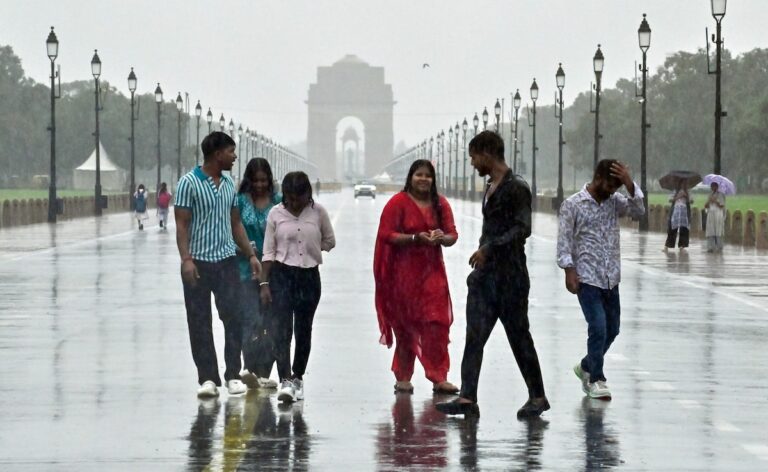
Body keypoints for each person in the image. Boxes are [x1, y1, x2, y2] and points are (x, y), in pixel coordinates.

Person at [436, 131, 548, 418]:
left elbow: (523, 228)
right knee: (474, 336)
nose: (472, 163)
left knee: (518, 336)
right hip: (486, 277)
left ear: (487, 153)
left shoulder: (516, 188)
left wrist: (489, 248)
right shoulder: (491, 186)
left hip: (510, 276)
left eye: (474, 156)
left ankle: (537, 396)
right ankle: (467, 397)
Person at [175, 131, 261, 398]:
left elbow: (235, 224)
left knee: (232, 318)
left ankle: (233, 374)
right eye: (231, 152)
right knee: (199, 321)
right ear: (216, 154)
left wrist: (250, 255)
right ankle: (208, 378)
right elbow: (181, 225)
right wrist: (186, 259)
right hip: (198, 262)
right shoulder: (188, 183)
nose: (235, 156)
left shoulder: (228, 184)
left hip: (226, 261)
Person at [556, 159, 645, 400]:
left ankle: (586, 365)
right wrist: (568, 270)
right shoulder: (572, 205)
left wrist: (629, 183)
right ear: (597, 179)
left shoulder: (614, 202)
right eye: (609, 186)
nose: (611, 192)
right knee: (597, 327)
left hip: (610, 277)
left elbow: (639, 212)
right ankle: (595, 378)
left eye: (615, 188)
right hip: (587, 278)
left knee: (612, 329)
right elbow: (564, 241)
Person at [374, 159, 459, 395]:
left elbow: (453, 235)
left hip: (432, 275)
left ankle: (439, 376)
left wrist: (442, 238)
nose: (423, 179)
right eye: (419, 175)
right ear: (410, 177)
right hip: (403, 276)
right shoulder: (397, 203)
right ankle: (403, 376)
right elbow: (386, 234)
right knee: (405, 326)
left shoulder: (440, 204)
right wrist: (415, 238)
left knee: (437, 325)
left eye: (428, 176)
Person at [260, 171, 335, 403]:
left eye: (298, 198)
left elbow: (330, 241)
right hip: (281, 275)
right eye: (290, 197)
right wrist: (264, 283)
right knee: (281, 330)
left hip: (309, 277)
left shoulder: (318, 212)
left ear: (307, 194)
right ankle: (284, 380)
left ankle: (297, 377)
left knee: (304, 330)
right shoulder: (275, 213)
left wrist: (313, 249)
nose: (294, 203)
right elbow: (268, 251)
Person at [236, 158, 282, 390]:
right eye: (256, 180)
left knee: (272, 323)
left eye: (264, 180)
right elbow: (231, 230)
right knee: (250, 320)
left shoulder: (279, 202)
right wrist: (245, 249)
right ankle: (250, 368)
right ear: (249, 181)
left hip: (275, 272)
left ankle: (265, 371)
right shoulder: (239, 202)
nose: (261, 185)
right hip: (245, 270)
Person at [664, 184, 691, 251]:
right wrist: (678, 196)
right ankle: (667, 245)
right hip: (675, 211)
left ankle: (682, 246)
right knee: (672, 228)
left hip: (684, 213)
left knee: (684, 228)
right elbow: (670, 200)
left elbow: (691, 201)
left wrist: (686, 196)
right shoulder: (675, 191)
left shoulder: (687, 191)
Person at [705, 182, 726, 252]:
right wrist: (708, 202)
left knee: (718, 230)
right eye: (711, 186)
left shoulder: (721, 195)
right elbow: (706, 206)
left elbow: (722, 205)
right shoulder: (710, 194)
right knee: (710, 230)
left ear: (717, 187)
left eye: (714, 186)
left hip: (718, 213)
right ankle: (711, 247)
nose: (712, 188)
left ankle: (719, 247)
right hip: (711, 213)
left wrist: (715, 201)